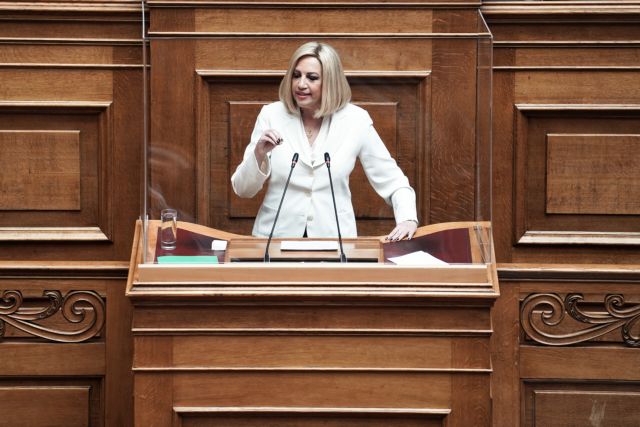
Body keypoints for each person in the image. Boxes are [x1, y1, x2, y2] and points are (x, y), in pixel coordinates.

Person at [231, 41, 418, 241]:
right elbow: (242, 189)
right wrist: (259, 154)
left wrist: (407, 219)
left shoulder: (356, 120)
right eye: (296, 75)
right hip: (275, 240)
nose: (301, 84)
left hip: (335, 241)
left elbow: (393, 180)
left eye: (312, 78)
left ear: (331, 81)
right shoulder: (271, 115)